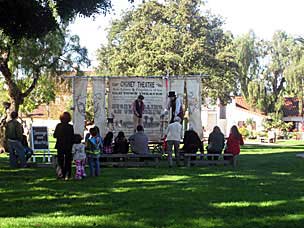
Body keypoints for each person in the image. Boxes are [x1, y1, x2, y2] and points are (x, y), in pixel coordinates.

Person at [53, 112, 74, 180]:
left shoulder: (59, 126)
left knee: (60, 160)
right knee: (68, 160)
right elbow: (72, 136)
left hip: (60, 145)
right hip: (68, 145)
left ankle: (61, 174)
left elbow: (55, 135)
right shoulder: (70, 127)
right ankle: (68, 174)